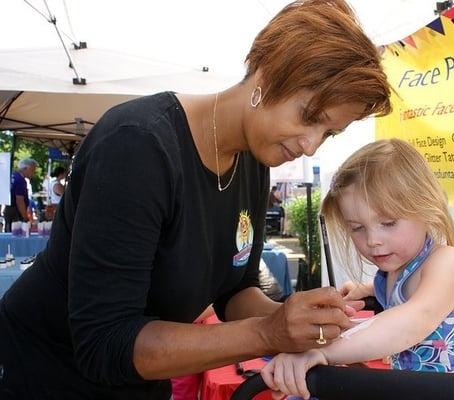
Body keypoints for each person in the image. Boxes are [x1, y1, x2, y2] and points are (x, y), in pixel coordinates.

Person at [0, 1, 391, 398]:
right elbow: (106, 343)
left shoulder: (253, 161)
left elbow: (234, 292)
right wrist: (268, 332)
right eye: (309, 117)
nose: (311, 146)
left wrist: (301, 323)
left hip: (139, 381)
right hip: (47, 374)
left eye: (328, 133)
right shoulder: (139, 145)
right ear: (266, 73)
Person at [261, 139, 454, 400]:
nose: (373, 240)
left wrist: (326, 351)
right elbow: (406, 296)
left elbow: (413, 319)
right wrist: (368, 288)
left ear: (425, 208)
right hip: (411, 388)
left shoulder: (448, 262)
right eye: (357, 228)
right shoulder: (395, 270)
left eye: (388, 222)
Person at [2, 158, 37, 232]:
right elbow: (19, 200)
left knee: (9, 232)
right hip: (15, 212)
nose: (33, 173)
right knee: (17, 235)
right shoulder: (20, 180)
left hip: (8, 209)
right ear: (25, 168)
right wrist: (25, 217)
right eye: (32, 170)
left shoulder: (13, 175)